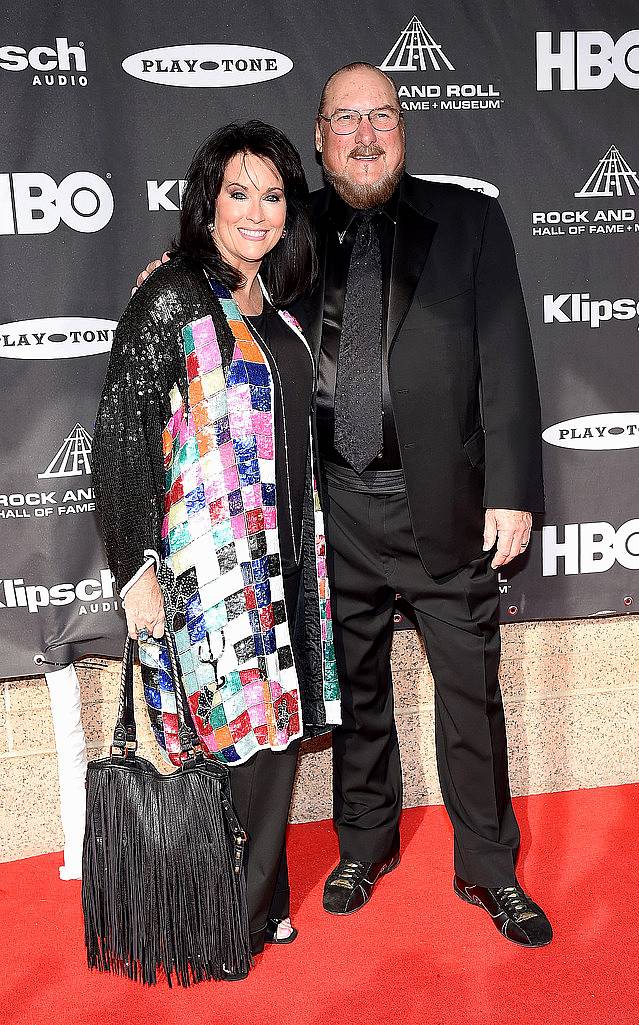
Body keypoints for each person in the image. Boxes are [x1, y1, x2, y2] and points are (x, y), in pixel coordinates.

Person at [136, 62, 553, 949]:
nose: (366, 136)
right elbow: (231, 289)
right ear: (319, 139)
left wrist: (513, 489)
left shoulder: (469, 219)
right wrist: (174, 274)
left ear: (402, 128)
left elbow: (507, 356)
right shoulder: (293, 229)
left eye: (382, 117)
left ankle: (489, 863)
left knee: (469, 695)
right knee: (355, 689)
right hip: (330, 512)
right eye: (345, 121)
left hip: (447, 506)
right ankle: (364, 843)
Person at [92, 120, 340, 963]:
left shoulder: (272, 303)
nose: (257, 210)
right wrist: (135, 570)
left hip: (282, 563)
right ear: (208, 200)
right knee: (229, 743)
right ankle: (219, 923)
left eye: (272, 195)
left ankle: (257, 903)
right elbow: (121, 435)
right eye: (239, 192)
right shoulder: (173, 296)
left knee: (272, 740)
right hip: (209, 573)